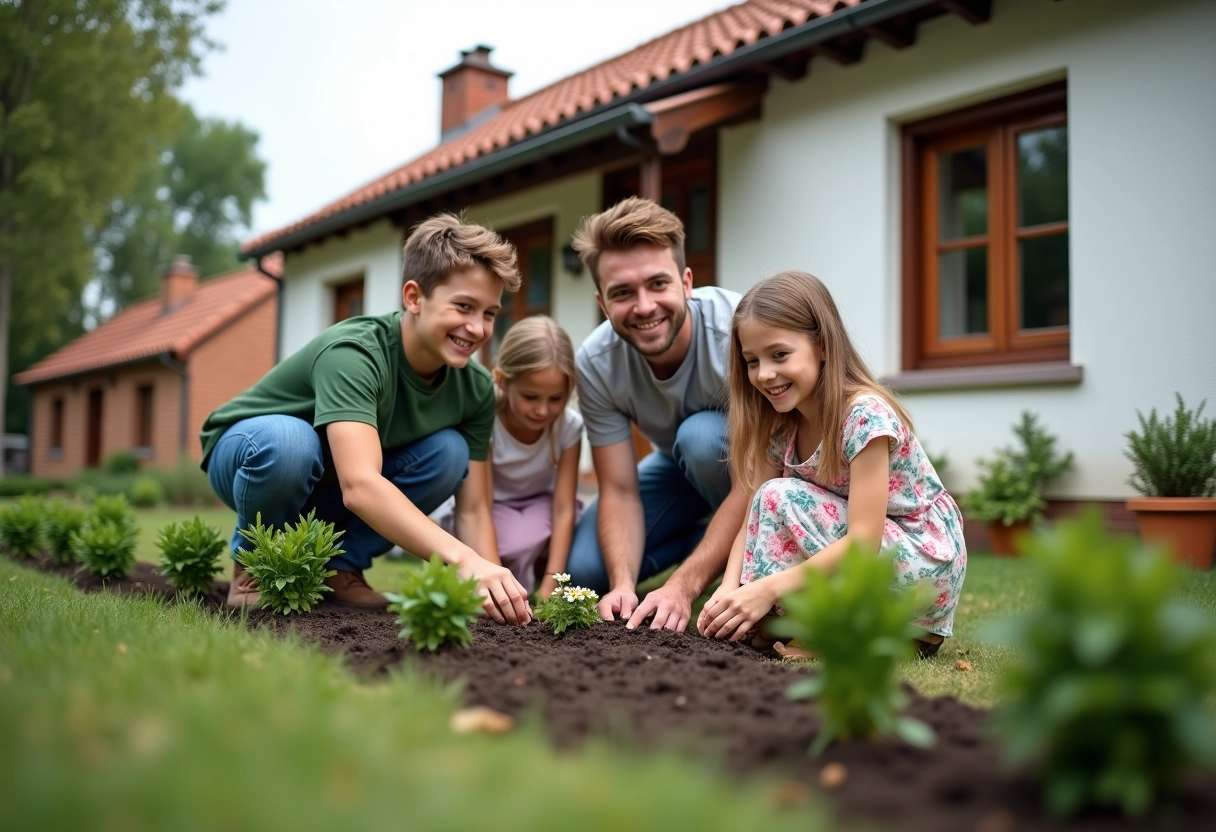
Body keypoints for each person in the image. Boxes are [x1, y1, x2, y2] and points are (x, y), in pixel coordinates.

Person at [200, 214, 533, 626]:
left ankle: (341, 568)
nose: (477, 328)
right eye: (463, 306)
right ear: (414, 298)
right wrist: (462, 558)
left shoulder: (477, 389)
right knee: (292, 443)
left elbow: (476, 509)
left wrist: (494, 584)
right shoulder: (355, 353)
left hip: (330, 481)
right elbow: (360, 485)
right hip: (252, 456)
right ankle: (255, 565)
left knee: (451, 453)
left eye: (489, 313)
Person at [697, 271, 967, 652]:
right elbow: (751, 521)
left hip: (919, 561)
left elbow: (862, 543)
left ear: (822, 345)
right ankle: (803, 625)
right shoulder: (782, 428)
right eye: (752, 361)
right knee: (768, 501)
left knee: (780, 496)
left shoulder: (863, 415)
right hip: (872, 563)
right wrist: (728, 589)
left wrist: (766, 588)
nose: (764, 374)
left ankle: (874, 634)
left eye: (779, 355)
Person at [567, 197, 749, 632]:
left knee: (700, 437)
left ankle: (730, 561)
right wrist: (622, 584)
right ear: (601, 301)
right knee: (586, 571)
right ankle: (705, 543)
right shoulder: (595, 362)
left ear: (686, 282)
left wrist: (683, 587)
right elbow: (618, 490)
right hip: (677, 467)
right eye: (623, 293)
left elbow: (757, 476)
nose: (644, 306)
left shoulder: (738, 331)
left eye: (658, 284)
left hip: (756, 468)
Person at [434, 315, 583, 599]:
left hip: (540, 506)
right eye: (530, 397)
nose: (542, 410)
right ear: (502, 380)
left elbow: (563, 507)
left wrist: (552, 583)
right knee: (513, 541)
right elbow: (481, 506)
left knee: (536, 535)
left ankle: (532, 574)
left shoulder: (569, 426)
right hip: (492, 506)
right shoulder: (486, 420)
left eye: (556, 398)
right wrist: (495, 578)